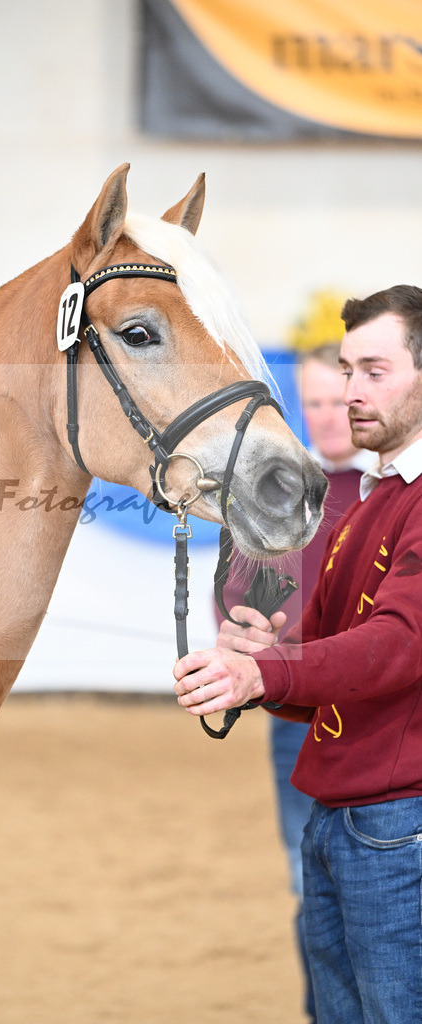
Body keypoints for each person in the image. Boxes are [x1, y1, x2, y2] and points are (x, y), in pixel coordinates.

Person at [176, 284, 422, 1023]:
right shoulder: (379, 498)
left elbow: (398, 644)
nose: (349, 392)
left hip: (397, 826)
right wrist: (265, 665)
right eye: (345, 371)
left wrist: (266, 668)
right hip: (347, 816)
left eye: (373, 371)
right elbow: (326, 647)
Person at [214, 342, 370, 1024]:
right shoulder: (272, 493)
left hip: (382, 717)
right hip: (298, 722)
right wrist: (245, 634)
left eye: (337, 402)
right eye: (311, 403)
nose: (326, 417)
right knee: (314, 884)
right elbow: (233, 595)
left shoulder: (393, 493)